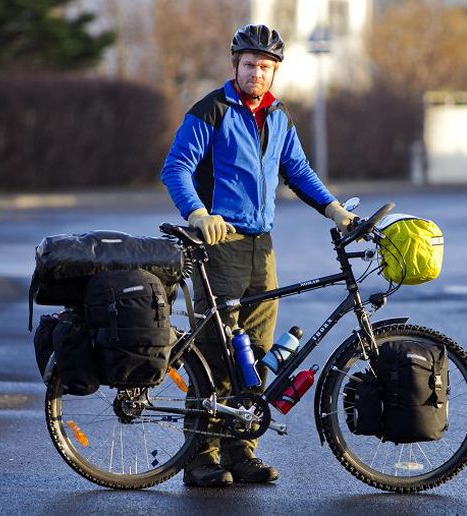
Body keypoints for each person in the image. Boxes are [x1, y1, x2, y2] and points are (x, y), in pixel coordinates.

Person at [160, 23, 355, 487]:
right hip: (219, 242)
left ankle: (241, 451)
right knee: (215, 350)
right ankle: (201, 457)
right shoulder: (212, 110)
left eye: (266, 67)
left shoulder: (278, 116)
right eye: (250, 65)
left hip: (261, 247)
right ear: (236, 66)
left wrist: (332, 207)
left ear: (274, 72)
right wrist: (198, 213)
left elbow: (297, 169)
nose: (258, 74)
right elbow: (176, 167)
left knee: (257, 352)